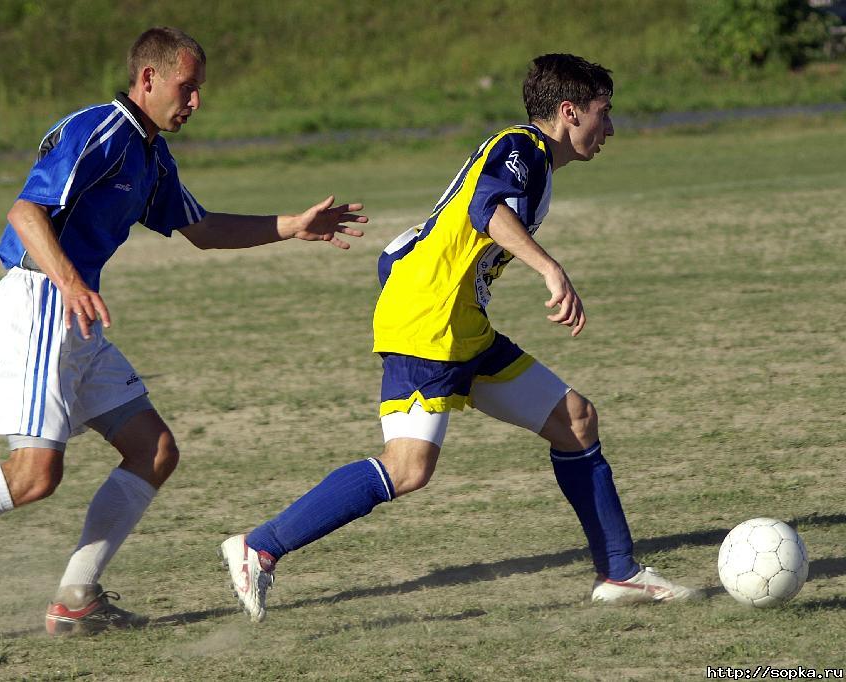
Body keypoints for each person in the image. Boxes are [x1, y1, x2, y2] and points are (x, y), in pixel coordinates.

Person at [0, 26, 366, 641]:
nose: (194, 103)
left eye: (199, 91)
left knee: (154, 451)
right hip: (40, 301)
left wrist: (290, 225)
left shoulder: (152, 155)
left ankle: (76, 599)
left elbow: (205, 229)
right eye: (187, 89)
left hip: (72, 313)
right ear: (148, 79)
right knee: (34, 475)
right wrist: (70, 282)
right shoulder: (102, 131)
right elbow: (25, 212)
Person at [220, 53, 701, 622]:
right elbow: (484, 208)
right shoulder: (522, 148)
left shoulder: (531, 159)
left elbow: (413, 243)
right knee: (408, 468)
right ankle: (260, 548)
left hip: (462, 327)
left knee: (575, 421)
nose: (612, 127)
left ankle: (619, 571)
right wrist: (549, 269)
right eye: (605, 112)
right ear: (570, 112)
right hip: (429, 328)